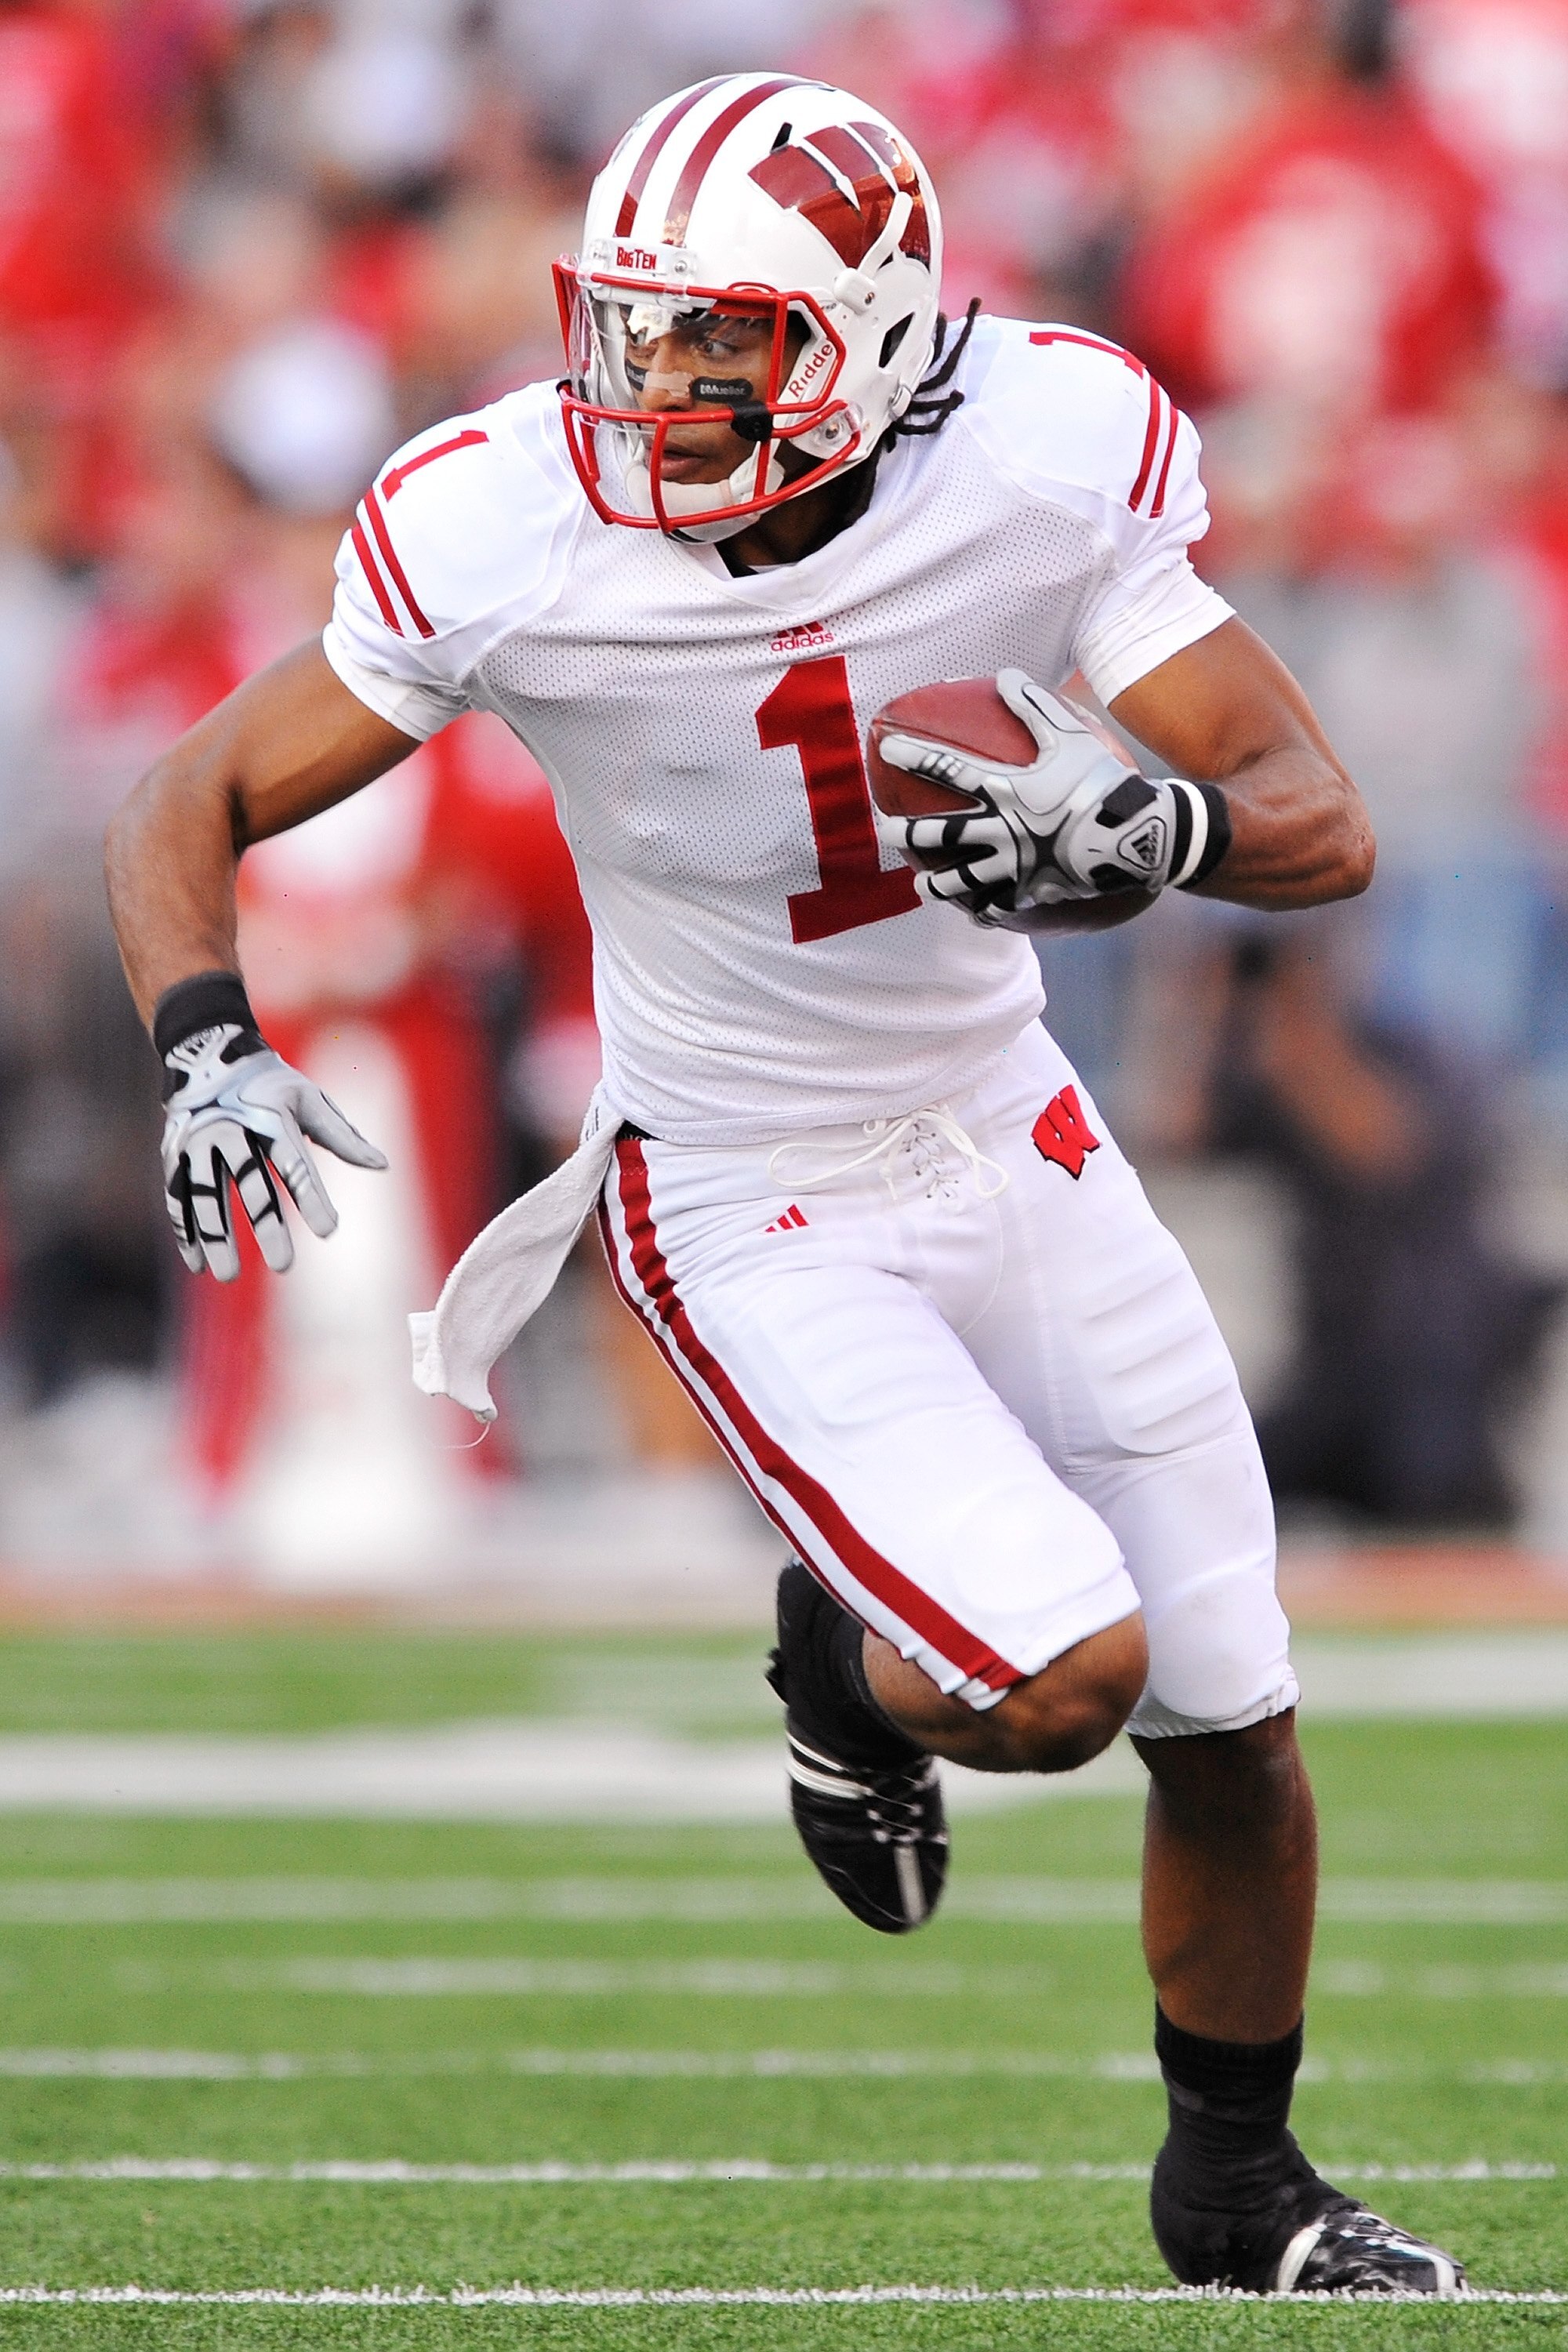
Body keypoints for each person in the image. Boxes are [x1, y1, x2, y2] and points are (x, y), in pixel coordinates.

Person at [105, 72, 1461, 2297]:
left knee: (1236, 1698)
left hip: (1011, 1126)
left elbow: (1311, 808)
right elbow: (191, 793)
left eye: (717, 338)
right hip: (743, 1186)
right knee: (1061, 1677)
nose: (653, 385)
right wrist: (200, 1040)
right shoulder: (504, 523)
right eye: (631, 331)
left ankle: (1240, 2191)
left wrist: (1160, 838)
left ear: (872, 333)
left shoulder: (1035, 454)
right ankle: (846, 1666)